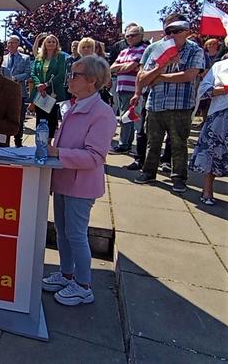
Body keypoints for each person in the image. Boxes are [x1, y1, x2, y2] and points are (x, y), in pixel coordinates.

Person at [41, 55, 116, 306]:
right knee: (62, 233)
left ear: (92, 81)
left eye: (75, 75)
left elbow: (95, 156)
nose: (69, 79)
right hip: (63, 180)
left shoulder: (102, 113)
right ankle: (66, 274)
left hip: (80, 186)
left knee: (76, 234)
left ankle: (83, 285)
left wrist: (58, 153)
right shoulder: (74, 105)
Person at [132, 14, 205, 193]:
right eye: (168, 31)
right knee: (152, 141)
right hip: (155, 104)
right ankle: (148, 172)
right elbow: (142, 77)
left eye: (177, 31)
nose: (171, 34)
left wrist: (159, 77)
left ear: (187, 32)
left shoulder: (195, 50)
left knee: (179, 143)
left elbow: (189, 75)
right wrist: (161, 67)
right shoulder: (156, 48)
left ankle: (179, 178)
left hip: (181, 105)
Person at [189, 34, 228, 206]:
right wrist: (226, 89)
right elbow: (204, 90)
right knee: (212, 154)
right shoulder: (220, 66)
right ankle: (207, 191)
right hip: (220, 115)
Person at [109, 25, 147, 153]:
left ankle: (124, 144)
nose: (130, 38)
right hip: (120, 87)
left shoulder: (143, 49)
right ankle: (126, 143)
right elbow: (112, 67)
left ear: (141, 36)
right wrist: (123, 67)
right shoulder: (124, 51)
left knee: (128, 116)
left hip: (133, 88)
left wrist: (122, 67)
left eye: (133, 35)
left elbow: (131, 67)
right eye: (128, 36)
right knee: (125, 115)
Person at [30, 34, 68, 140]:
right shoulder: (39, 57)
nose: (51, 44)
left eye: (53, 42)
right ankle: (39, 140)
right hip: (40, 92)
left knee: (51, 119)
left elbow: (61, 74)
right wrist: (38, 85)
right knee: (40, 117)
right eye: (48, 42)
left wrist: (46, 85)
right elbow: (33, 73)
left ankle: (49, 142)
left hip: (52, 92)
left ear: (56, 44)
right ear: (44, 44)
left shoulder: (60, 57)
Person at [2, 35, 31, 147]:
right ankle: (5, 141)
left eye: (13, 43)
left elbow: (28, 73)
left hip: (19, 92)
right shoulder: (3, 58)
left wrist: (15, 78)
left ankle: (18, 141)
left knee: (19, 117)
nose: (10, 45)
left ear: (18, 44)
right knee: (5, 117)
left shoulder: (25, 58)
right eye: (9, 43)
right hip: (4, 93)